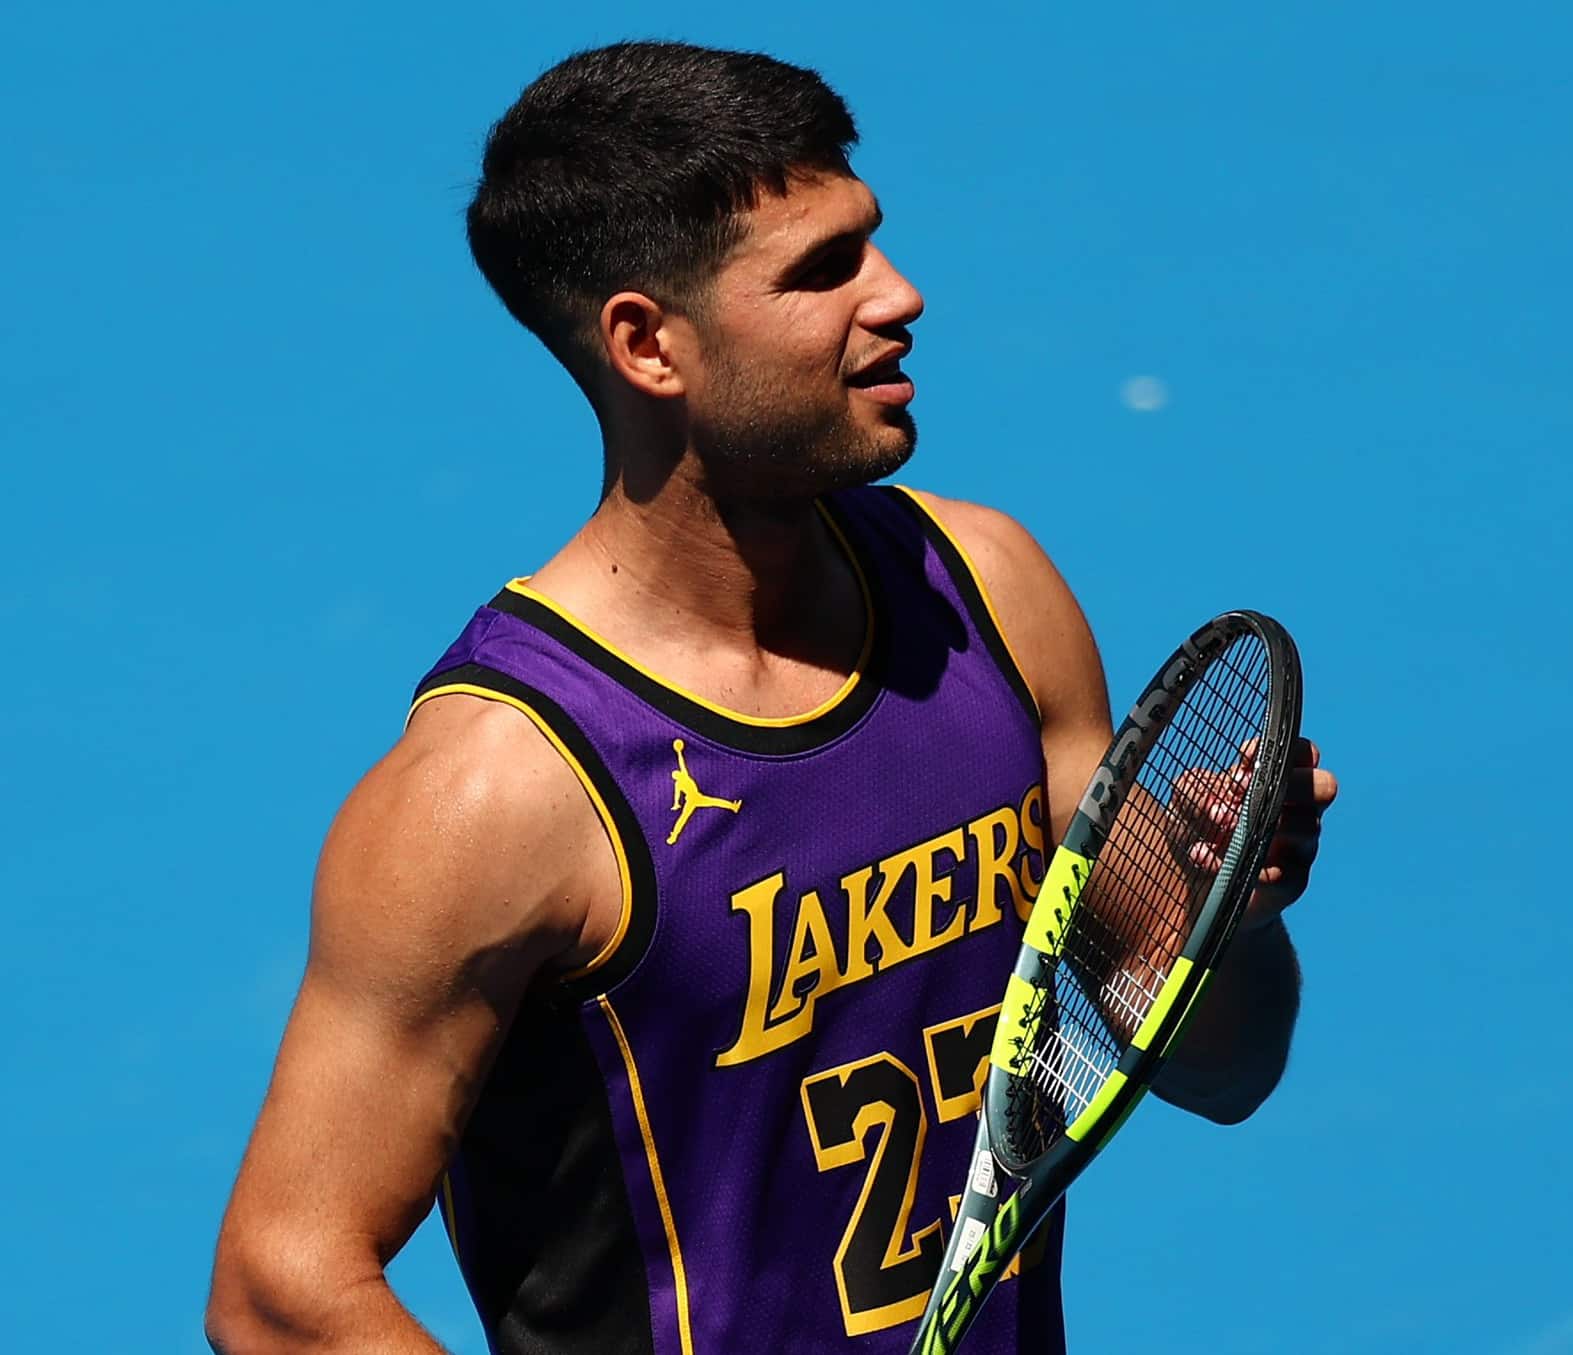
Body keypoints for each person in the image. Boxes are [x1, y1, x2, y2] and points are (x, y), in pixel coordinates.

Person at [205, 40, 1338, 1355]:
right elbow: (281, 1289)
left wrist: (1223, 912)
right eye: (820, 271)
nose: (898, 295)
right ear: (649, 344)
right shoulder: (502, 791)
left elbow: (1223, 1067)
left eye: (871, 240)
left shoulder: (986, 598)